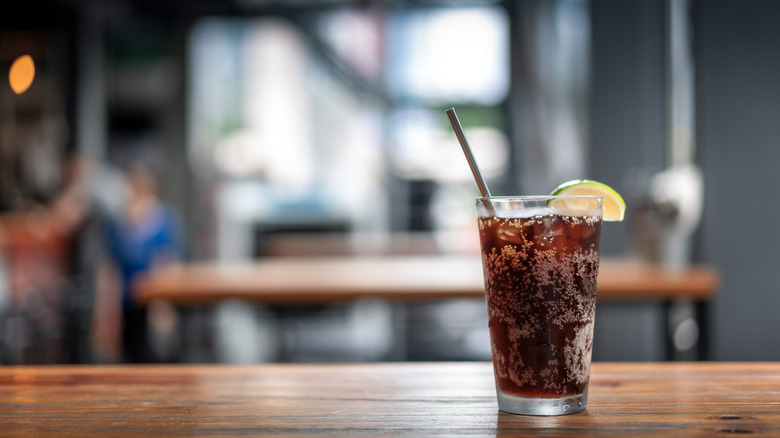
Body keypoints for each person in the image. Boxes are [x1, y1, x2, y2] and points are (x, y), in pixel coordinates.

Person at [96, 162, 182, 363]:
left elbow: (167, 264)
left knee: (155, 357)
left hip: (154, 302)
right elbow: (110, 268)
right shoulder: (117, 223)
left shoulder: (164, 219)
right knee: (128, 357)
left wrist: (164, 307)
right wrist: (106, 312)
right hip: (126, 301)